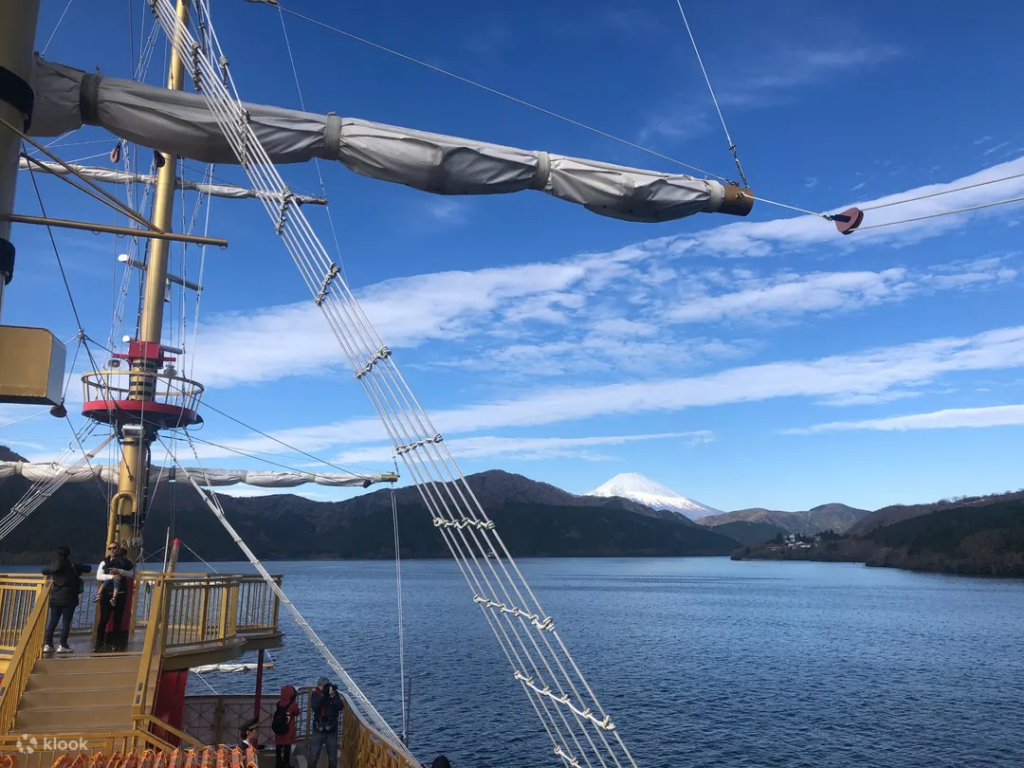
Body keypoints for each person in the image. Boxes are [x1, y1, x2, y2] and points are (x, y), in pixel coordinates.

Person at [40, 546, 91, 654]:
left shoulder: (54, 566)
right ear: (68, 555)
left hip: (55, 597)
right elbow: (88, 568)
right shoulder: (72, 565)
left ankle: (48, 644)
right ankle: (63, 645)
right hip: (69, 597)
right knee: (66, 622)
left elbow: (44, 571)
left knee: (53, 621)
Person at [94, 542, 134, 652]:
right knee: (103, 619)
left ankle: (116, 644)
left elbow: (131, 574)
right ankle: (99, 643)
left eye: (114, 548)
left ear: (118, 549)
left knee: (118, 620)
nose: (112, 550)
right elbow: (99, 575)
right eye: (110, 548)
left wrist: (120, 571)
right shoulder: (105, 562)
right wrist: (112, 576)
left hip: (121, 594)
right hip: (107, 594)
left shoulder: (126, 562)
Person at [308, 679, 344, 768]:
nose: (327, 688)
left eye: (328, 685)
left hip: (331, 730)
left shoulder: (334, 694)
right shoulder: (316, 694)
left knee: (333, 758)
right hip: (318, 729)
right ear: (319, 686)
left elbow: (340, 707)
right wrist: (322, 695)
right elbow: (315, 706)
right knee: (314, 756)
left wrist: (333, 696)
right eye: (324, 686)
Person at [272, 684, 300, 768]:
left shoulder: (279, 703)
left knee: (279, 745)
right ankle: (286, 764)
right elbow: (297, 712)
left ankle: (278, 763)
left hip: (279, 726)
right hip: (288, 727)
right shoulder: (293, 704)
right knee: (287, 745)